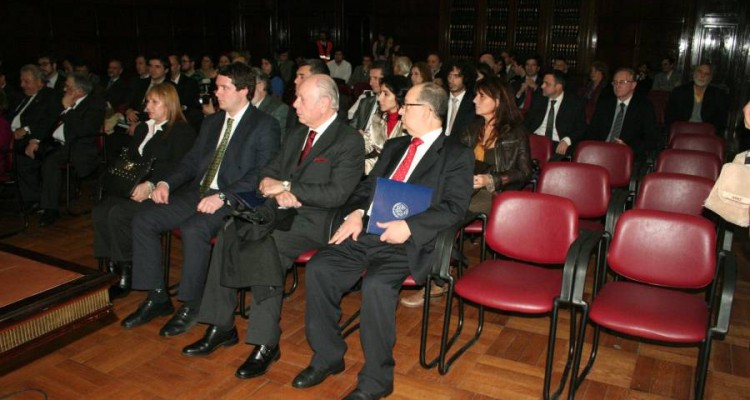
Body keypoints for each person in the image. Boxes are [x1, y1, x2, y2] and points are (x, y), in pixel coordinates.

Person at [291, 82, 473, 400]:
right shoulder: (394, 147)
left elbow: (455, 209)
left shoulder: (456, 154)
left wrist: (410, 226)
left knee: (376, 285)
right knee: (320, 267)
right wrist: (356, 213)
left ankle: (376, 382)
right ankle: (328, 357)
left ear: (429, 111)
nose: (400, 110)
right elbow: (365, 190)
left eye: (408, 105)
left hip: (410, 243)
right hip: (368, 234)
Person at [183, 74, 364, 382]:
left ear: (324, 103)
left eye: (301, 99)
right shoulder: (297, 133)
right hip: (276, 211)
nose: (294, 104)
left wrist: (291, 187)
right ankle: (221, 325)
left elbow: (338, 193)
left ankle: (266, 343)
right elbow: (270, 168)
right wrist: (270, 183)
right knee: (229, 230)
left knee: (264, 247)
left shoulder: (347, 140)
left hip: (314, 221)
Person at [121, 63, 280, 337]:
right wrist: (165, 182)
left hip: (232, 198)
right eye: (216, 86)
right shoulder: (212, 122)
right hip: (199, 191)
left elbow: (261, 173)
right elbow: (192, 161)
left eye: (223, 87)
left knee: (195, 229)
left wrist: (223, 196)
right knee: (145, 218)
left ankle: (193, 303)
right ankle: (157, 295)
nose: (215, 93)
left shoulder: (265, 125)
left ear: (243, 91)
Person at [92, 83, 197, 298]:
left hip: (163, 190)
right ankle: (113, 267)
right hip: (135, 187)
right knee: (100, 212)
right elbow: (131, 161)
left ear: (169, 105)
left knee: (118, 215)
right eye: (147, 101)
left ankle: (126, 272)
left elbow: (179, 167)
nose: (147, 106)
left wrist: (151, 185)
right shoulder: (143, 128)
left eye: (154, 102)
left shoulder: (181, 131)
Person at [10, 65, 58, 210]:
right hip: (11, 136)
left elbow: (50, 120)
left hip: (34, 138)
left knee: (21, 158)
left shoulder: (49, 96)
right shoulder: (22, 97)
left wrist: (26, 129)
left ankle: (31, 199)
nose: (22, 85)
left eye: (27, 81)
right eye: (21, 81)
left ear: (39, 81)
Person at [588, 68, 659, 161]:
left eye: (622, 82)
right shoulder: (605, 103)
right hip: (601, 151)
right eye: (615, 82)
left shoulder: (644, 106)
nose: (617, 86)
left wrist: (628, 147)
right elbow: (592, 131)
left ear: (633, 85)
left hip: (627, 155)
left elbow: (651, 139)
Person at [524, 70, 587, 158]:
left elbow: (581, 127)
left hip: (558, 143)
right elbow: (526, 121)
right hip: (536, 139)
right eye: (543, 83)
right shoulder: (538, 98)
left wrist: (567, 140)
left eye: (547, 84)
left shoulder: (574, 103)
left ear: (558, 87)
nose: (542, 86)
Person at [362, 75, 411, 174]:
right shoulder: (378, 118)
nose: (379, 98)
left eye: (386, 94)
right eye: (380, 93)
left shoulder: (408, 123)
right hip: (373, 170)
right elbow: (366, 144)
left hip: (397, 172)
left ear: (399, 96)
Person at [665, 63, 728, 136]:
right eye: (700, 72)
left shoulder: (718, 95)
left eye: (706, 74)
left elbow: (721, 121)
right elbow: (669, 116)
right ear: (694, 73)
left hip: (706, 134)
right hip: (682, 131)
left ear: (710, 78)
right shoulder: (679, 92)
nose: (702, 76)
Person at [250, 67, 289, 140]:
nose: (245, 91)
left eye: (249, 86)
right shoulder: (245, 106)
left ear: (261, 86)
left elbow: (276, 142)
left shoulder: (278, 109)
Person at [444, 60, 478, 138]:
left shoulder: (474, 102)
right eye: (449, 75)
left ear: (466, 78)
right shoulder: (441, 98)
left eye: (456, 76)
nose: (451, 80)